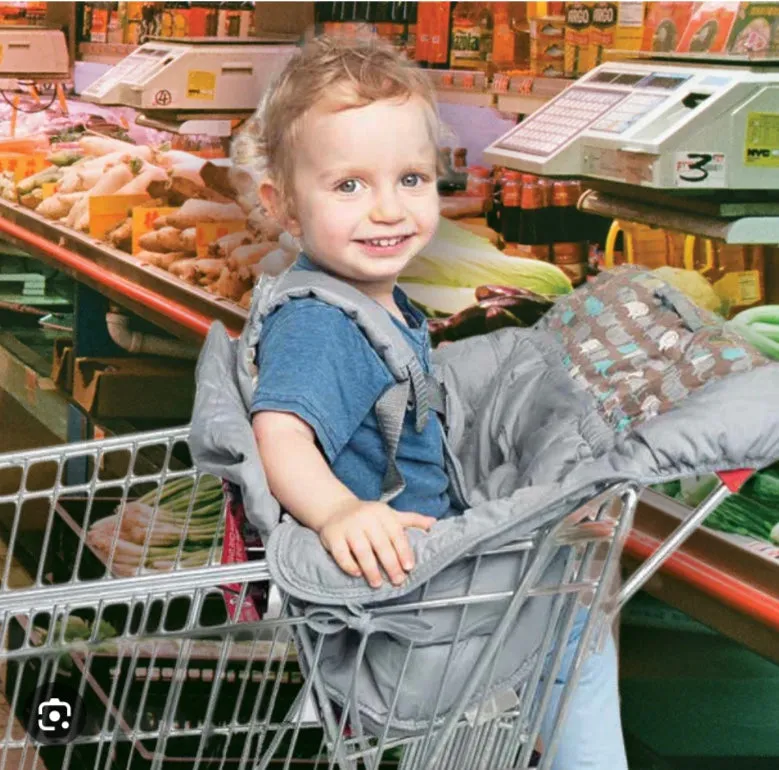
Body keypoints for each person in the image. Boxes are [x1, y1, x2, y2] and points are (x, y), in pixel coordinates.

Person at [242, 34, 627, 770]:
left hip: (411, 582)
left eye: (410, 179)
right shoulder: (322, 325)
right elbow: (281, 431)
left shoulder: (365, 299)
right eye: (348, 186)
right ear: (283, 205)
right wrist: (339, 511)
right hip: (403, 599)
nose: (387, 209)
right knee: (572, 615)